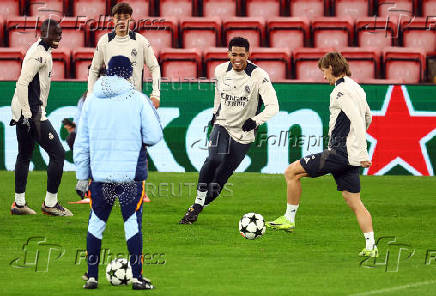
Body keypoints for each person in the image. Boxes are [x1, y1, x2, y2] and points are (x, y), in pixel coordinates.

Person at [266, 52, 378, 257]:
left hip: (339, 152)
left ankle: (289, 219)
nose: (323, 76)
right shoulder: (357, 88)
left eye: (324, 71)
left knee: (291, 172)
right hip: (350, 155)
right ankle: (371, 246)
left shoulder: (340, 91)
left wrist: (361, 150)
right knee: (353, 200)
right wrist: (358, 147)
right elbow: (368, 117)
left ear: (332, 68)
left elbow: (357, 119)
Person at [74, 55, 162, 289]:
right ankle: (137, 277)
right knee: (132, 223)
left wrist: (82, 176)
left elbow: (81, 143)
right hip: (130, 176)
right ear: (129, 74)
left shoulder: (91, 101)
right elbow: (154, 136)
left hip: (100, 176)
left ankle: (92, 276)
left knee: (96, 223)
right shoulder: (138, 99)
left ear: (108, 73)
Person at [179, 37, 279, 224]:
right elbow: (218, 95)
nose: (238, 58)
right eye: (234, 54)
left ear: (249, 55)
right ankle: (197, 204)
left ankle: (199, 205)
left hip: (244, 132)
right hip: (223, 124)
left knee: (221, 178)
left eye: (242, 55)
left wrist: (256, 121)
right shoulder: (220, 70)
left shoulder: (259, 76)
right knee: (214, 159)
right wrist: (215, 113)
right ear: (228, 54)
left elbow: (274, 106)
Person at [9, 19, 72, 216]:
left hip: (24, 111)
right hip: (31, 113)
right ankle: (50, 204)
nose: (59, 36)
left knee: (24, 155)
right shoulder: (38, 55)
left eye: (60, 33)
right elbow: (21, 84)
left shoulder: (42, 50)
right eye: (55, 33)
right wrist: (28, 114)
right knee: (58, 153)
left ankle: (19, 204)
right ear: (43, 33)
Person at [88, 2, 161, 109]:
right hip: (111, 102)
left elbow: (154, 67)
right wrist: (90, 96)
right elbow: (94, 70)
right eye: (118, 18)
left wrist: (156, 94)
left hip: (135, 102)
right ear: (113, 19)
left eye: (125, 18)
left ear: (130, 19)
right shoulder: (104, 41)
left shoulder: (141, 41)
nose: (122, 21)